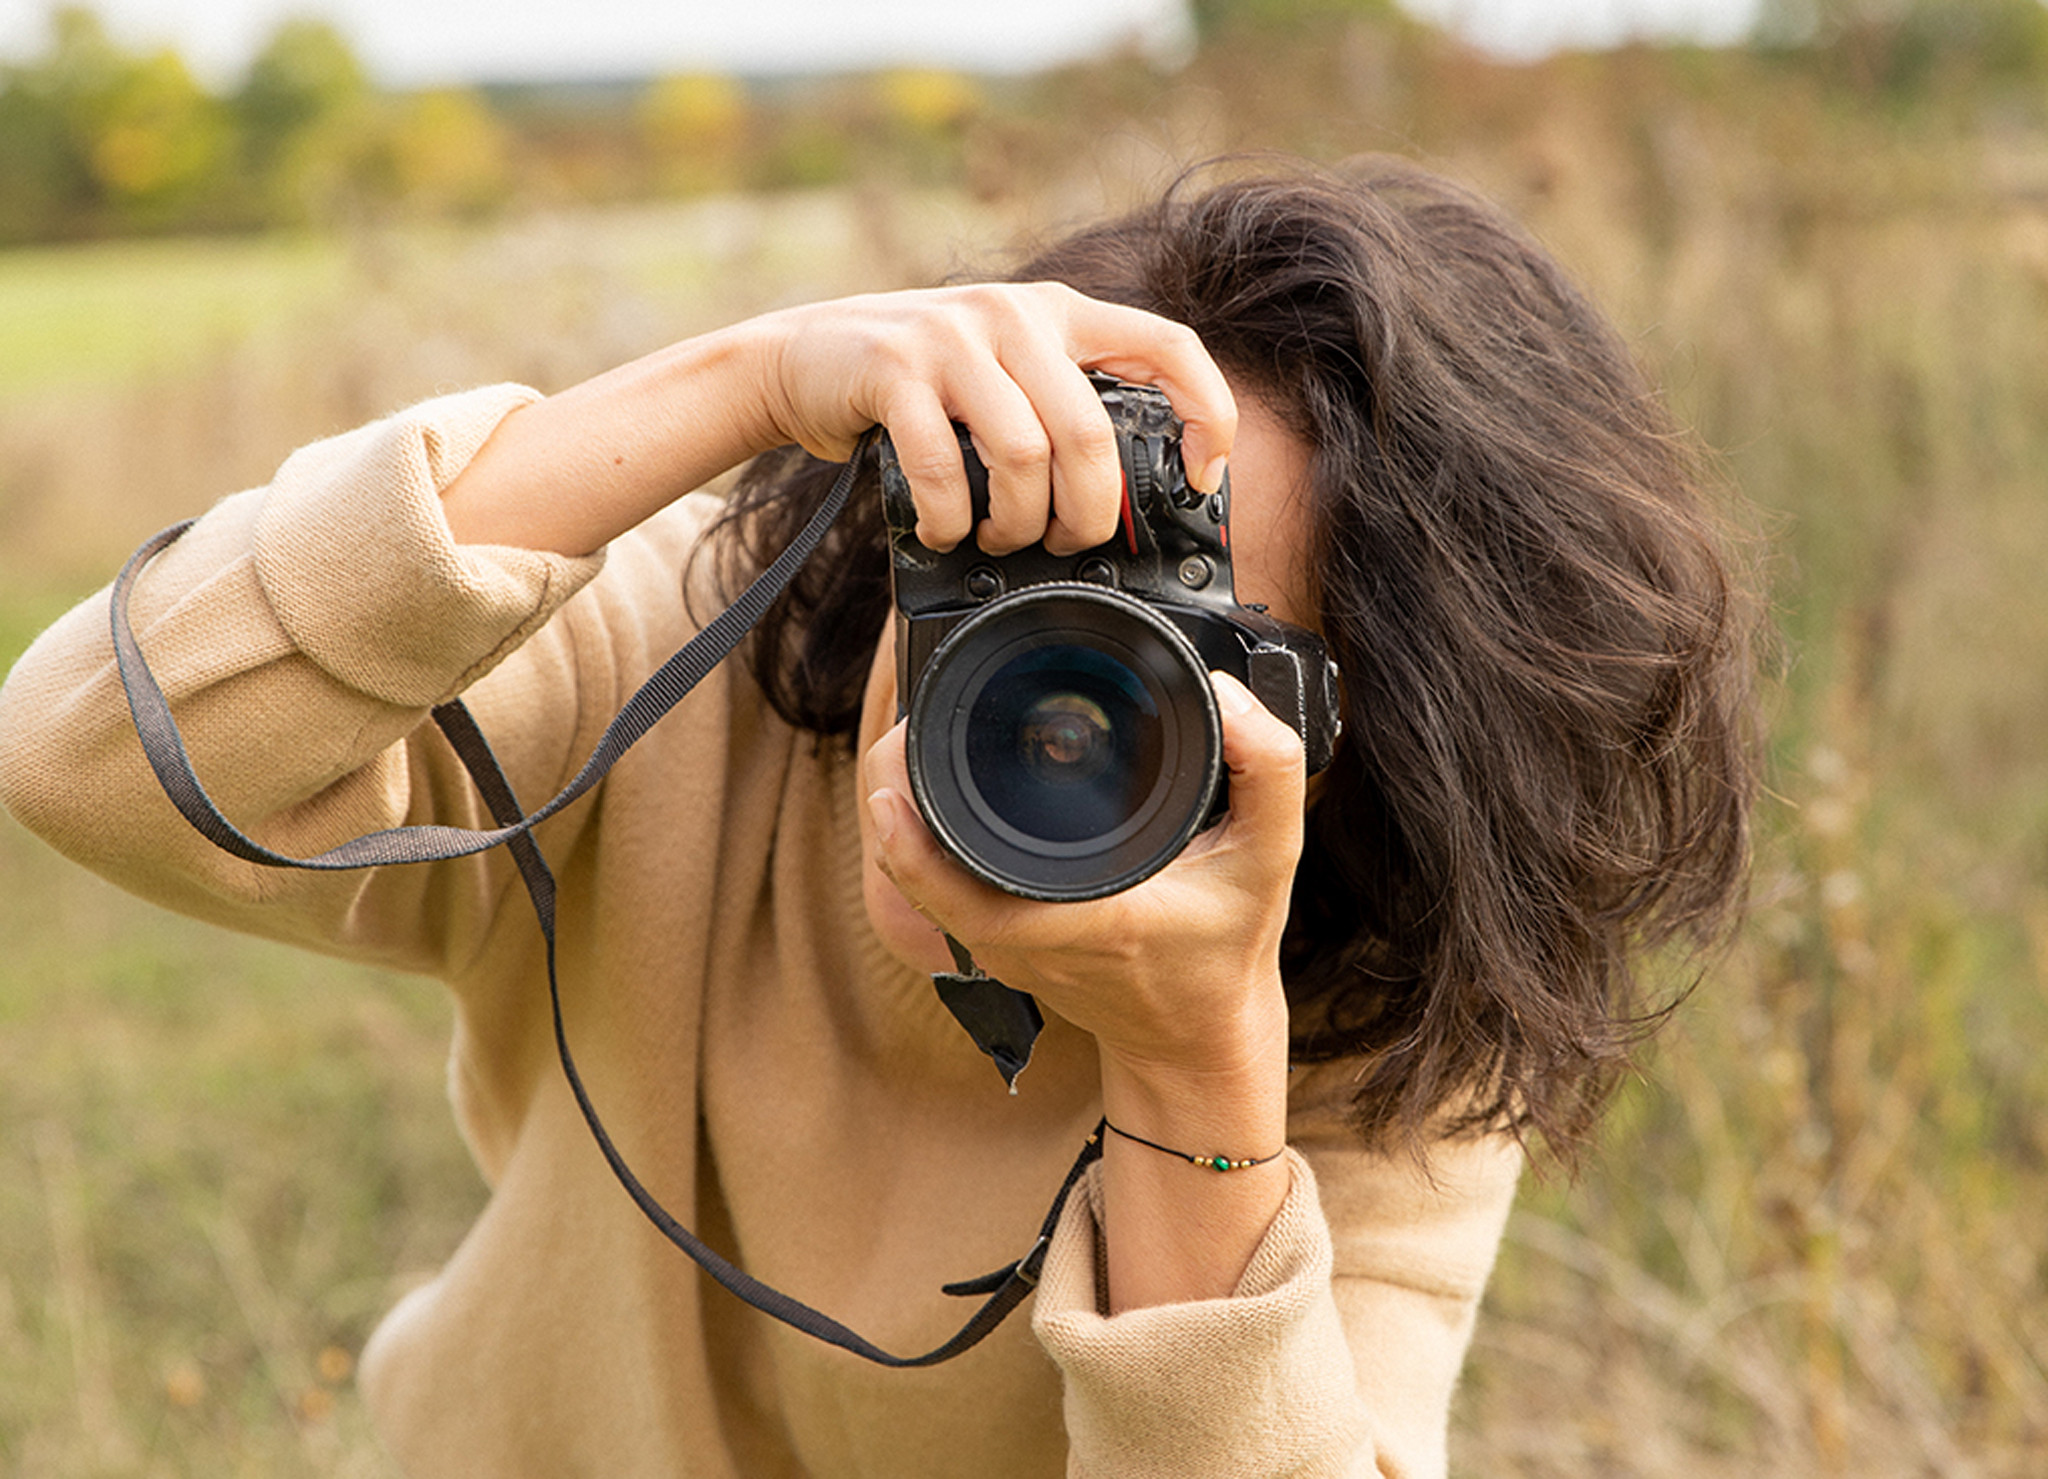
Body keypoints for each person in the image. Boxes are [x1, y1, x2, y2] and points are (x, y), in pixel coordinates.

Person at [0, 157, 1758, 1476]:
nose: (1052, 702)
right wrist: (744, 381)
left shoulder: (1385, 1010)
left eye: (1193, 652)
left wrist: (1198, 1068)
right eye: (1019, 578)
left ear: (1386, 749)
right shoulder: (710, 680)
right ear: (899, 526)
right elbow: (97, 749)